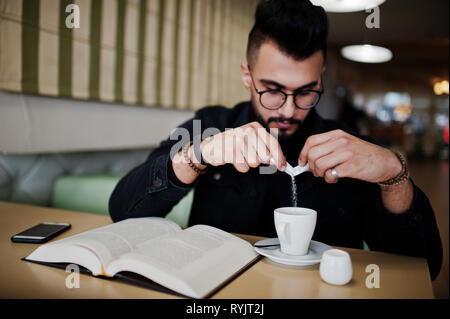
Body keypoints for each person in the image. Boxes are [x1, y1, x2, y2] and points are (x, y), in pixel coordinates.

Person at [109, 0, 442, 280]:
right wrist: (197, 155)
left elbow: (424, 269)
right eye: (272, 90)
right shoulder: (211, 125)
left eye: (306, 92)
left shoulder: (351, 147)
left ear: (320, 77)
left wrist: (392, 173)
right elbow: (122, 211)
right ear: (246, 76)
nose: (287, 110)